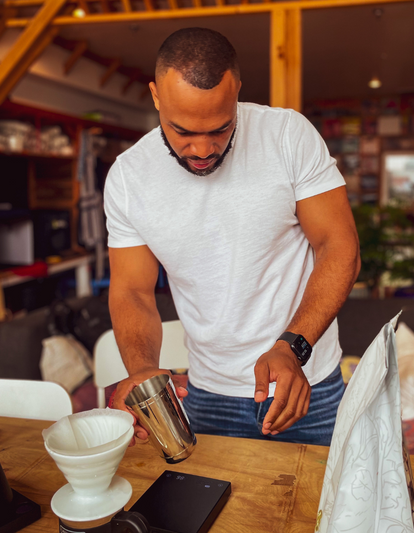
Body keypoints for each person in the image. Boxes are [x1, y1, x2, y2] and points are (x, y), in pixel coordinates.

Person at [105, 27, 360, 447]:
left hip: (307, 386)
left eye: (221, 129)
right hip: (207, 394)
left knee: (325, 511)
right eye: (182, 131)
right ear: (155, 96)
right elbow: (132, 289)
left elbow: (340, 247)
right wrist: (141, 368)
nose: (202, 149)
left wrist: (292, 347)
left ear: (237, 91)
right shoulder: (129, 177)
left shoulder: (288, 136)